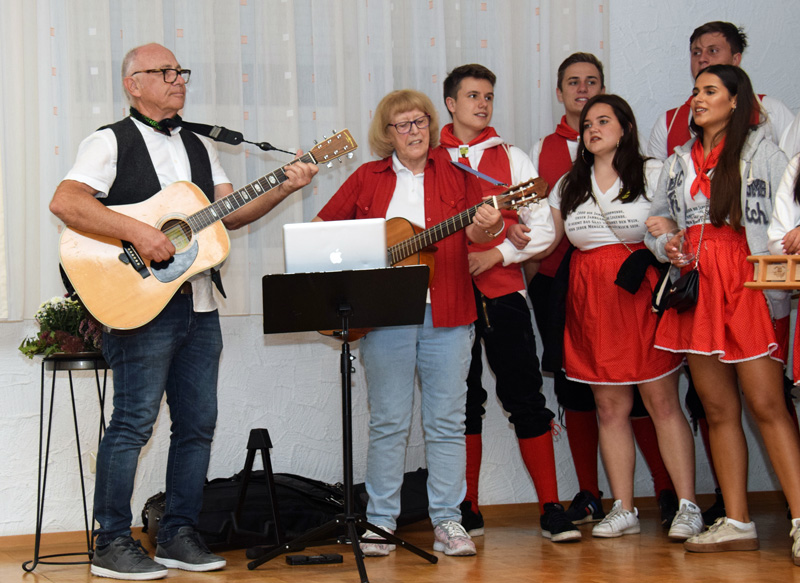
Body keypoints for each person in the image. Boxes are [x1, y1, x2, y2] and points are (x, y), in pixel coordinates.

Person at [49, 43, 318, 580]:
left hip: (198, 302)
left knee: (197, 425)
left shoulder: (198, 144)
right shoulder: (108, 142)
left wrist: (285, 188)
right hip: (140, 302)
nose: (178, 80)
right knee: (132, 424)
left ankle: (178, 535)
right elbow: (67, 202)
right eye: (164, 72)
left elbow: (230, 215)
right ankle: (111, 541)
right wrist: (139, 231)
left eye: (181, 72)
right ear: (134, 83)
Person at [314, 89, 503, 557]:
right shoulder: (367, 177)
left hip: (450, 309)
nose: (414, 131)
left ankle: (448, 520)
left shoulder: (460, 172)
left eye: (420, 121)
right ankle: (379, 522)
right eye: (403, 124)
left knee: (446, 421)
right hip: (385, 316)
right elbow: (322, 231)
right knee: (390, 422)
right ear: (388, 133)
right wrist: (362, 264)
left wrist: (487, 224)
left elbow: (483, 232)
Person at [646, 64, 800, 563]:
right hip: (696, 287)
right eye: (695, 89)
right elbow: (658, 221)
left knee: (767, 404)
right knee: (716, 410)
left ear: (736, 101)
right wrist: (665, 240)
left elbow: (791, 208)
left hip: (744, 282)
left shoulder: (763, 150)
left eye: (709, 91)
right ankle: (737, 520)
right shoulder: (676, 161)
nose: (697, 98)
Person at [528, 52, 680, 526]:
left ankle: (688, 506)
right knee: (609, 405)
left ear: (625, 128)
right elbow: (543, 240)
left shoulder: (654, 172)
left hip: (639, 294)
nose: (592, 127)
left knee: (660, 402)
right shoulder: (569, 184)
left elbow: (676, 229)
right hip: (589, 299)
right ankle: (624, 508)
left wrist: (667, 233)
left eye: (603, 120)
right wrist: (505, 240)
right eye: (587, 123)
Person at [438, 64, 578, 542]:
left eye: (489, 96)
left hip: (503, 292)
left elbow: (542, 227)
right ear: (451, 103)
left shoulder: (512, 157)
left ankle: (550, 507)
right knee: (461, 401)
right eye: (473, 95)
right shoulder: (429, 158)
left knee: (524, 396)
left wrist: (497, 253)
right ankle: (467, 508)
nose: (482, 104)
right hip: (446, 296)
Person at [647, 21, 793, 161]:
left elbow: (793, 172)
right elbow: (655, 183)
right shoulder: (668, 123)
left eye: (713, 51)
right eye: (696, 53)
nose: (702, 59)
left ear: (736, 59)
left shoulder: (770, 110)